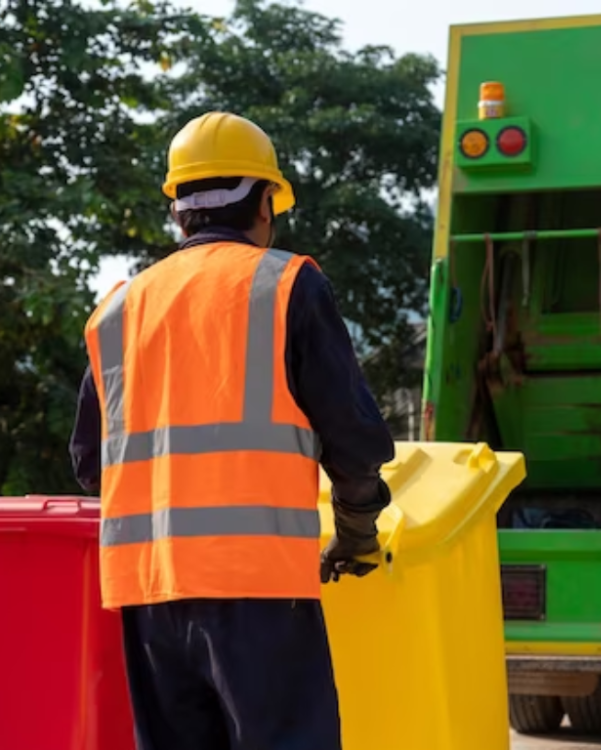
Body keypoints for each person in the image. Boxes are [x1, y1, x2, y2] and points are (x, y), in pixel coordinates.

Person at [68, 110, 396, 750]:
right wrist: (356, 534)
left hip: (149, 592)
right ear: (263, 201)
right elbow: (354, 443)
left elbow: (90, 464)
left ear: (178, 210)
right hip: (261, 587)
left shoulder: (119, 308)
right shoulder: (287, 284)